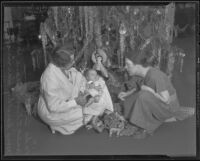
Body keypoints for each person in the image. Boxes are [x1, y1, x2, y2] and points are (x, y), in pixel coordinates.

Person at [118, 50, 195, 138]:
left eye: (128, 64)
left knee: (143, 96)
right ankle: (133, 118)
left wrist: (150, 91)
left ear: (138, 65)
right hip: (158, 103)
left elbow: (166, 100)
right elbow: (140, 85)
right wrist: (127, 93)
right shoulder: (143, 74)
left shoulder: (155, 76)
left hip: (169, 108)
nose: (125, 67)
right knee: (129, 101)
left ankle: (145, 127)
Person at [37, 44, 93, 135]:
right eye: (71, 61)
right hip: (51, 111)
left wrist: (82, 91)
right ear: (61, 64)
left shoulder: (63, 67)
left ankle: (69, 120)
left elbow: (78, 77)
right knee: (89, 112)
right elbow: (53, 107)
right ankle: (57, 126)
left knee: (93, 100)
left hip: (66, 99)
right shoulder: (49, 79)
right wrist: (76, 102)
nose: (74, 62)